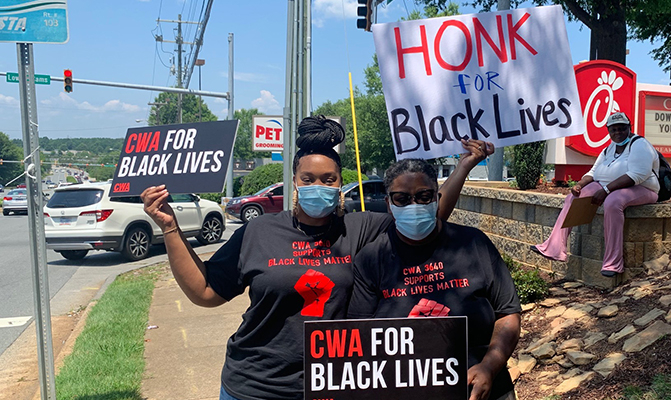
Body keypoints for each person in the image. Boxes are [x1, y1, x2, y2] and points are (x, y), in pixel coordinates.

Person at [140, 115, 494, 400]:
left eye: (329, 179)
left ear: (340, 183)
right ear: (294, 181)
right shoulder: (259, 231)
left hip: (334, 385)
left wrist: (462, 167)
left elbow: (424, 217)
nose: (318, 186)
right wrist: (171, 229)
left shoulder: (360, 230)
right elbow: (205, 292)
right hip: (255, 385)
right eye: (308, 178)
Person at [348, 159, 522, 400]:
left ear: (437, 199)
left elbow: (508, 314)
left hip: (480, 390)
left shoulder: (474, 243)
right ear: (389, 204)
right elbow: (359, 335)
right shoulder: (371, 258)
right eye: (402, 198)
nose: (414, 204)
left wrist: (489, 367)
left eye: (424, 196)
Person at [532, 111, 660, 277]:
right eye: (613, 129)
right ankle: (555, 248)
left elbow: (638, 175)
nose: (618, 132)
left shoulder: (640, 144)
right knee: (573, 197)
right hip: (607, 186)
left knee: (613, 201)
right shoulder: (609, 148)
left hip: (644, 189)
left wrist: (606, 191)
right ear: (608, 131)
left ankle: (613, 263)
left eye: (621, 128)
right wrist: (579, 185)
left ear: (629, 128)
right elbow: (593, 172)